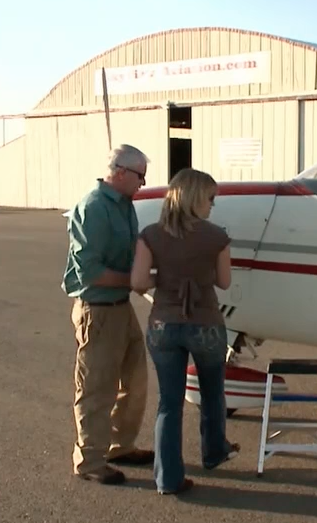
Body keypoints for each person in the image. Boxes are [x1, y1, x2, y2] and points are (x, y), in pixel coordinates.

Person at [130, 167, 239, 495]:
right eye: (210, 198)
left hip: (163, 325)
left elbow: (137, 282)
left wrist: (162, 280)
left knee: (169, 401)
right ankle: (214, 451)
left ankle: (168, 478)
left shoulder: (151, 234)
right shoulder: (216, 236)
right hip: (205, 324)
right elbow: (224, 282)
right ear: (195, 198)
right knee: (212, 392)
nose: (212, 205)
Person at [61, 144, 154, 485]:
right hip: (98, 310)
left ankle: (119, 445)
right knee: (96, 388)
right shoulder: (95, 208)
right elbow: (91, 273)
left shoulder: (125, 206)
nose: (143, 183)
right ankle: (89, 460)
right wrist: (141, 280)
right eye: (140, 175)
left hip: (120, 305)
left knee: (136, 380)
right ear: (119, 171)